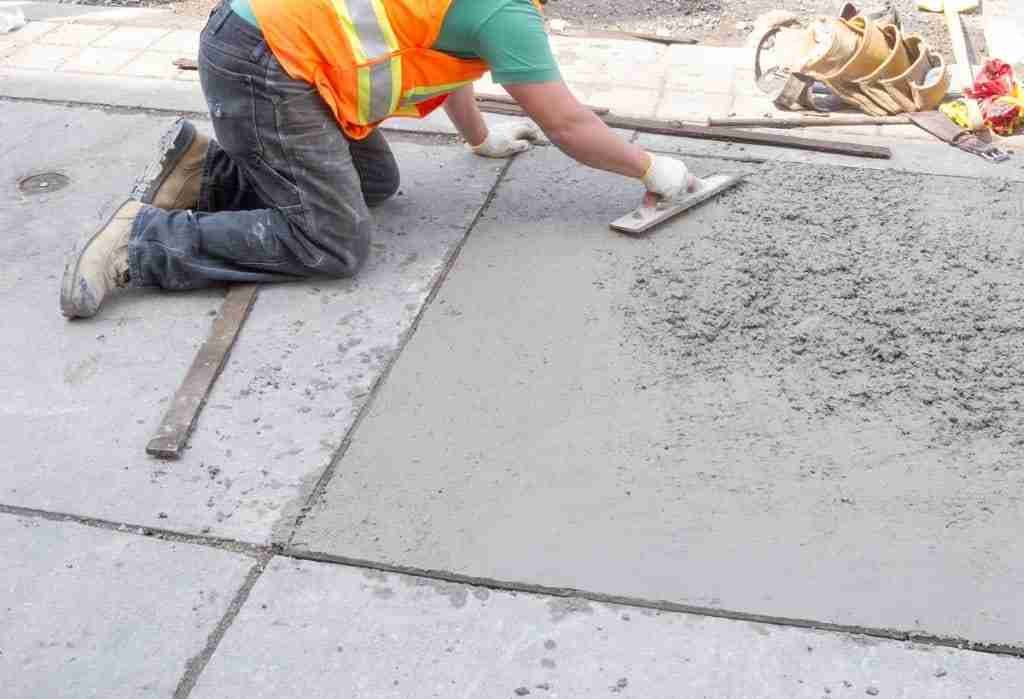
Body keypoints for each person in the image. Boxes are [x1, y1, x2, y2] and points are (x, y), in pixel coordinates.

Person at [60, 0, 695, 319]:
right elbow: (567, 124)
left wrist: (479, 139)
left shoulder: (484, 13)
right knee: (331, 240)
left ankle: (206, 172)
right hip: (268, 63)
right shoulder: (508, 15)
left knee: (375, 181)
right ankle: (143, 242)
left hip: (272, 45)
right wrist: (650, 168)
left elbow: (446, 58)